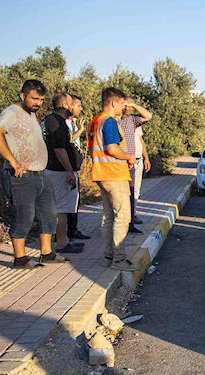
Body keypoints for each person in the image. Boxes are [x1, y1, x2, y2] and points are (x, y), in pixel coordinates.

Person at [0, 80, 68, 268]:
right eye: (34, 98)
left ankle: (46, 253)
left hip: (39, 174)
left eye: (41, 99)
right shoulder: (11, 113)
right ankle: (20, 258)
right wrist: (13, 161)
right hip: (21, 176)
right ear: (22, 96)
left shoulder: (30, 115)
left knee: (49, 214)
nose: (38, 103)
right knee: (24, 216)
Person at [88, 87, 139, 271]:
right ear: (114, 103)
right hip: (114, 174)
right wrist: (129, 157)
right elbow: (112, 148)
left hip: (102, 174)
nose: (124, 108)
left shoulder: (96, 120)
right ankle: (119, 260)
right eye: (122, 104)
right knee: (122, 216)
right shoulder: (109, 122)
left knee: (108, 217)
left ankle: (108, 257)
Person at [42, 92, 83, 254]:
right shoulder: (57, 122)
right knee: (62, 209)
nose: (74, 107)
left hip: (54, 170)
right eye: (72, 104)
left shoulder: (51, 120)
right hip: (59, 172)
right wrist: (69, 171)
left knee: (59, 207)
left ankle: (62, 239)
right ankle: (62, 242)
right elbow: (59, 150)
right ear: (65, 105)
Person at [118, 96, 153, 234]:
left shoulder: (132, 119)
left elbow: (148, 116)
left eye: (129, 106)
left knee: (132, 193)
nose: (127, 108)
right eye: (125, 105)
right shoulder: (113, 119)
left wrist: (134, 104)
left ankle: (130, 223)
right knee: (119, 195)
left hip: (131, 162)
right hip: (118, 162)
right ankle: (120, 225)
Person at [66, 94, 90, 240]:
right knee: (67, 202)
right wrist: (80, 131)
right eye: (78, 105)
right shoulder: (62, 122)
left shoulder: (73, 122)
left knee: (74, 200)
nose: (80, 108)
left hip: (73, 168)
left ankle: (72, 229)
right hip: (65, 169)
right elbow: (68, 140)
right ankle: (67, 232)